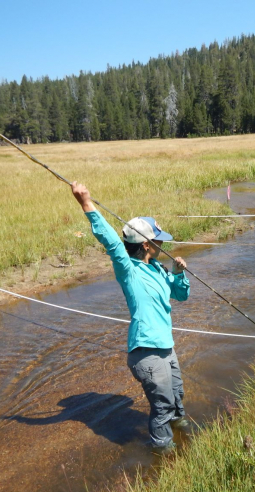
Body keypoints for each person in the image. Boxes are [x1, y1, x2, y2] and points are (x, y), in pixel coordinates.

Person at [71, 181, 190, 455]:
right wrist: (86, 203)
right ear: (147, 245)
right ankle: (166, 453)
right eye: (158, 240)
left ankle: (182, 427)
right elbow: (112, 243)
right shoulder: (129, 271)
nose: (163, 243)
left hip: (166, 347)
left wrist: (179, 273)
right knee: (161, 407)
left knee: (177, 398)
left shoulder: (158, 268)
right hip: (146, 353)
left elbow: (181, 296)